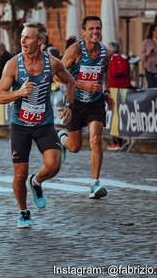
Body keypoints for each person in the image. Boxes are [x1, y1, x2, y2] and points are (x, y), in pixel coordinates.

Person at [0, 21, 74, 228]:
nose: (23, 40)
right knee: (19, 174)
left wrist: (68, 105)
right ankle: (23, 212)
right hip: (20, 125)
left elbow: (70, 81)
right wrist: (19, 92)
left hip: (43, 123)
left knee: (54, 165)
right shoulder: (13, 64)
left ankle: (36, 182)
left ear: (40, 41)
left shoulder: (52, 63)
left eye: (28, 37)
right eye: (22, 36)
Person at [59, 16, 115, 199]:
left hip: (95, 102)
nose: (95, 32)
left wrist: (106, 93)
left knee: (96, 139)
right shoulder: (75, 50)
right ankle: (63, 139)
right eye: (91, 29)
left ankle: (95, 184)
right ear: (83, 32)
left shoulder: (106, 53)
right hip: (75, 102)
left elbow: (103, 74)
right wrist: (82, 85)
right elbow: (57, 75)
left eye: (98, 28)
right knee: (75, 147)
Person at [106, 41, 132, 150]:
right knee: (124, 114)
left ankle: (116, 141)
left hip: (113, 89)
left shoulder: (109, 59)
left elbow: (107, 74)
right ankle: (123, 140)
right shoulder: (124, 58)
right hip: (125, 88)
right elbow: (129, 72)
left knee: (114, 115)